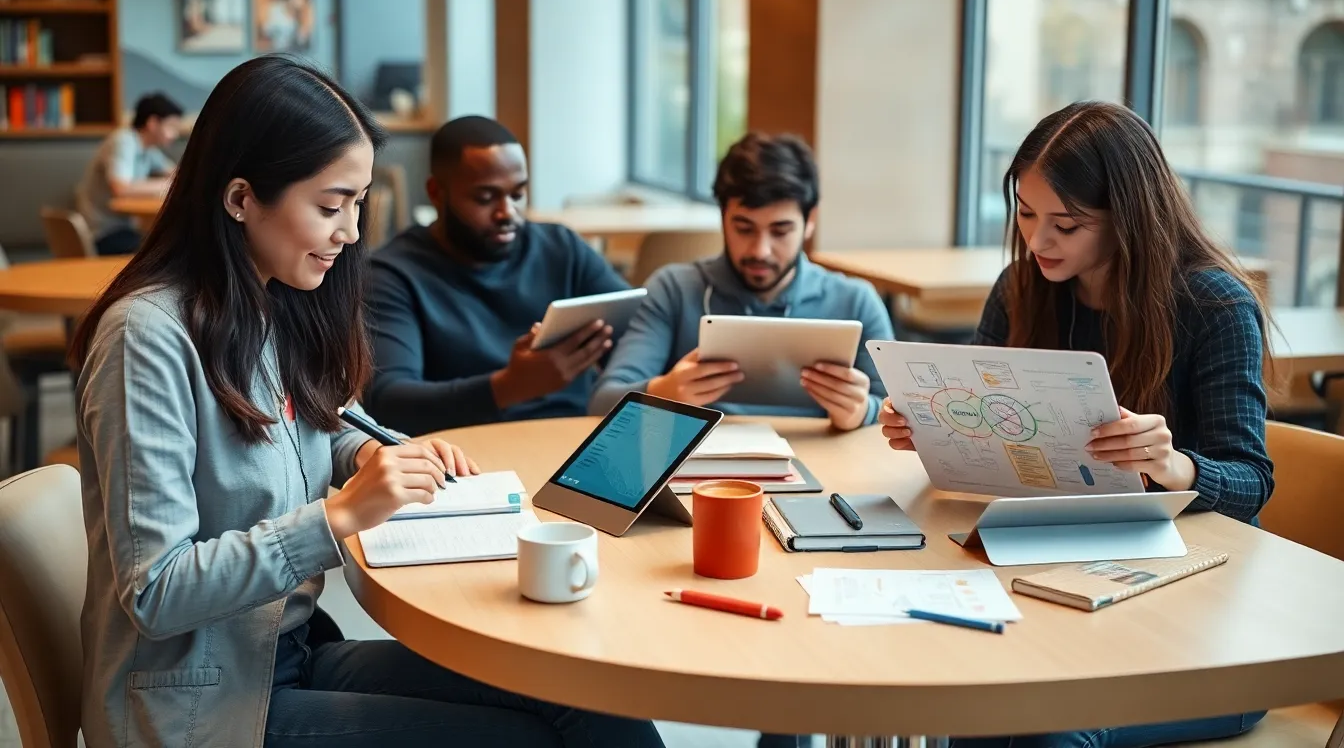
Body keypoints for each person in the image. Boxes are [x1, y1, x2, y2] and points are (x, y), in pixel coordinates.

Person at [70, 54, 665, 748]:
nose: (350, 233)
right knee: (523, 734)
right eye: (330, 206)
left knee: (585, 693)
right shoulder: (146, 338)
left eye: (357, 204)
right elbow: (156, 591)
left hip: (281, 653)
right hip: (202, 703)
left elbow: (318, 428)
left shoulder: (267, 304)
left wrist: (379, 450)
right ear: (240, 198)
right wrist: (342, 515)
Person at [879, 101, 1273, 748]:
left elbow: (1253, 481)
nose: (1037, 242)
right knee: (974, 703)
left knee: (1035, 728)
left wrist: (1174, 468)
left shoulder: (1213, 305)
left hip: (1201, 631)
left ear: (1130, 217)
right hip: (1061, 583)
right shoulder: (1021, 288)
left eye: (1066, 224)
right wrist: (932, 424)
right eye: (1026, 214)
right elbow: (991, 437)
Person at [589, 132, 893, 432]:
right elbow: (601, 402)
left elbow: (897, 414)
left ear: (810, 220)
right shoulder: (674, 289)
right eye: (744, 228)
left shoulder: (855, 301)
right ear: (723, 217)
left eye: (780, 231)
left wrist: (862, 411)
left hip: (826, 471)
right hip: (700, 472)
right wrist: (663, 393)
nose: (760, 250)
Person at [363, 115, 629, 435]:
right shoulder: (393, 274)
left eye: (517, 194)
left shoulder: (562, 248)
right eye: (485, 198)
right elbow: (388, 402)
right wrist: (506, 388)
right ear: (436, 193)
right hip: (465, 454)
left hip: (574, 440)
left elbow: (636, 333)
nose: (507, 213)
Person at [76, 92, 182, 255]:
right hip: (103, 233)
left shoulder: (148, 149)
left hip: (125, 229)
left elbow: (176, 173)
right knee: (165, 252)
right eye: (171, 127)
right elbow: (120, 188)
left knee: (171, 242)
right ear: (153, 123)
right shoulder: (123, 141)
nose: (175, 134)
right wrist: (164, 185)